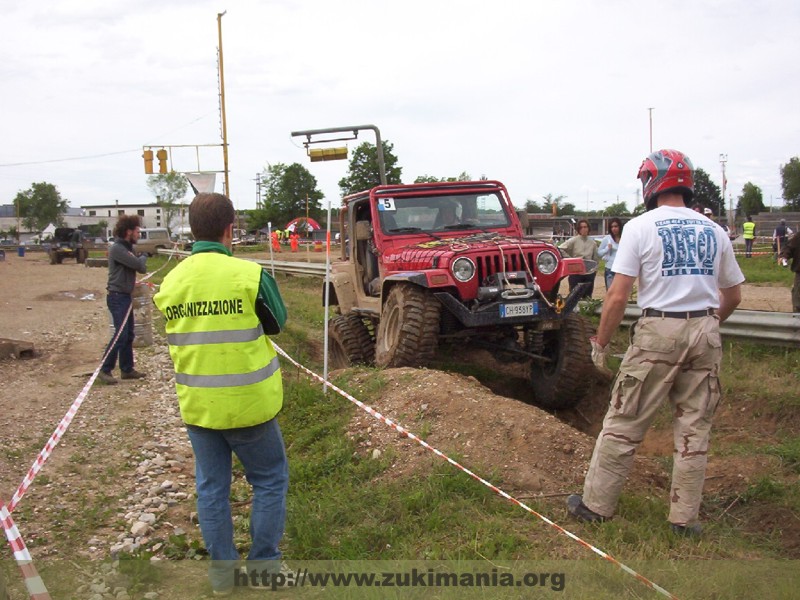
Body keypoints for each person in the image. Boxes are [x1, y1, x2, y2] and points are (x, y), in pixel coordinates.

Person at [567, 149, 744, 537]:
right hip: (705, 330)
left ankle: (596, 507)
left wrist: (601, 341)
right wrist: (710, 323)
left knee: (624, 420)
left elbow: (617, 295)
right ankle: (684, 520)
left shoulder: (640, 227)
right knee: (694, 429)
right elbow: (733, 295)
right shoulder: (714, 231)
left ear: (651, 182)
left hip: (658, 331)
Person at [153, 193, 290, 595]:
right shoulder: (248, 275)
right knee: (268, 480)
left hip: (199, 406)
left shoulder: (171, 282)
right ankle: (264, 568)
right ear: (230, 229)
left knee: (212, 488)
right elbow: (277, 322)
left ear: (192, 230)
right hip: (250, 405)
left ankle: (223, 577)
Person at [98, 214, 147, 385]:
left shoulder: (127, 248)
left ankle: (127, 369)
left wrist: (138, 258)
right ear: (128, 231)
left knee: (129, 335)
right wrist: (143, 257)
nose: (139, 234)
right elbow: (140, 266)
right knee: (120, 335)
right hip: (117, 297)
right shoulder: (118, 249)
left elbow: (135, 266)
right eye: (137, 231)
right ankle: (105, 369)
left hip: (125, 296)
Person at [559, 219, 599, 298]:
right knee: (574, 295)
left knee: (587, 296)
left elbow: (595, 259)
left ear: (588, 228)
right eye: (581, 227)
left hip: (589, 273)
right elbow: (560, 249)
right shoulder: (573, 240)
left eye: (585, 227)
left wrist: (594, 271)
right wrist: (570, 259)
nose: (584, 229)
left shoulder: (593, 243)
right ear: (578, 229)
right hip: (576, 272)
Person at [598, 218, 623, 291]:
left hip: (622, 269)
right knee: (610, 291)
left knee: (620, 292)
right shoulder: (607, 239)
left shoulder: (625, 238)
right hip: (610, 268)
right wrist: (607, 249)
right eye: (612, 227)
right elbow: (599, 253)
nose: (614, 229)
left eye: (616, 226)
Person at [779, 232, 800, 313]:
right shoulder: (798, 236)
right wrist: (784, 256)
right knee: (797, 297)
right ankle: (796, 320)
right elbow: (789, 247)